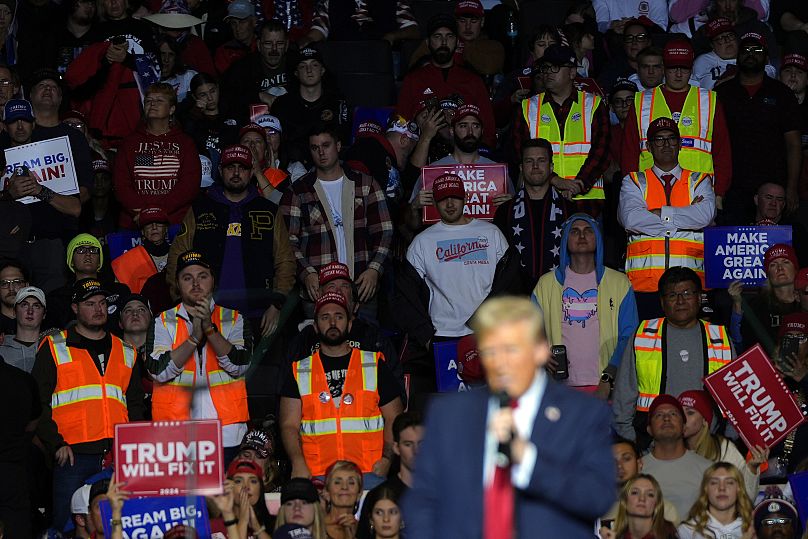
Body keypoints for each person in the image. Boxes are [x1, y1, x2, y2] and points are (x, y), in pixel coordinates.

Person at [404, 296, 615, 537]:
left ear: (540, 351)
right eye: (490, 351)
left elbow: (597, 497)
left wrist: (529, 461)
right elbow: (422, 502)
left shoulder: (582, 414)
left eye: (511, 349)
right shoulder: (450, 414)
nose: (500, 363)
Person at [31, 278, 145, 532]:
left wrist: (133, 447)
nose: (98, 309)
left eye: (102, 303)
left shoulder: (126, 350)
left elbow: (136, 405)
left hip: (117, 454)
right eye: (90, 303)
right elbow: (38, 403)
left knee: (122, 524)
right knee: (67, 526)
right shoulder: (55, 346)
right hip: (72, 454)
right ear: (74, 308)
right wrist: (55, 444)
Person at [167, 144, 296, 337]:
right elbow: (177, 257)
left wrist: (276, 304)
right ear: (220, 170)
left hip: (258, 315)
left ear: (252, 171)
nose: (236, 173)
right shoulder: (200, 208)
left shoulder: (268, 210)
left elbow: (285, 260)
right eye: (230, 167)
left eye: (242, 168)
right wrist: (182, 303)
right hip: (207, 315)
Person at [279, 291, 403, 489]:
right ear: (315, 327)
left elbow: (394, 417)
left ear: (350, 324)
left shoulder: (372, 363)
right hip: (318, 474)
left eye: (339, 316)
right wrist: (298, 462)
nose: (333, 322)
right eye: (325, 317)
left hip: (367, 472)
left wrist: (387, 460)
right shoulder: (300, 369)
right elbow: (288, 424)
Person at [146, 250, 252, 463]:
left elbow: (239, 364)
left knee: (226, 496)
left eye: (202, 276)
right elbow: (157, 371)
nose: (196, 283)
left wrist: (209, 330)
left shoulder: (234, 318)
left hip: (228, 431)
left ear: (212, 280)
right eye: (187, 278)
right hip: (176, 432)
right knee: (182, 496)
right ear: (177, 283)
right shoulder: (163, 321)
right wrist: (194, 338)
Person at [279, 124, 393, 316]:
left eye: (326, 145)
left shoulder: (366, 184)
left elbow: (384, 231)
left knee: (364, 344)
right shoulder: (297, 191)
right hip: (318, 291)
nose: (321, 152)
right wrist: (306, 273)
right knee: (317, 345)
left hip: (360, 288)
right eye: (315, 148)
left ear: (338, 146)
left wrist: (374, 269)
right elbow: (287, 242)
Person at [612, 267, 734, 446]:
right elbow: (623, 397)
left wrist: (726, 442)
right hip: (653, 447)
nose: (680, 301)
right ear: (662, 302)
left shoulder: (720, 338)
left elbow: (736, 400)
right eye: (672, 295)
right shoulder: (643, 335)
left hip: (708, 447)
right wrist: (635, 443)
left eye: (687, 293)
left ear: (699, 297)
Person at [618, 117, 716, 319]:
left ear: (680, 144)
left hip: (691, 285)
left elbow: (704, 216)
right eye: (659, 139)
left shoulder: (699, 180)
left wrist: (658, 213)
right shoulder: (634, 181)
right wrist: (685, 216)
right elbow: (631, 220)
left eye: (671, 139)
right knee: (647, 345)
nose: (666, 144)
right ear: (649, 146)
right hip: (645, 286)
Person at [532, 213, 638, 397]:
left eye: (588, 231)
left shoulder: (619, 283)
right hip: (560, 388)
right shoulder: (546, 284)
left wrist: (609, 377)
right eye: (574, 231)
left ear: (598, 238)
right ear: (565, 240)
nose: (582, 236)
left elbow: (629, 337)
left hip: (605, 386)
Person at [621, 39, 732, 207]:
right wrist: (631, 192)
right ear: (664, 68)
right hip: (650, 194)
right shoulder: (641, 101)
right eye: (673, 68)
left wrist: (719, 193)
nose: (679, 74)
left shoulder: (709, 100)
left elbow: (722, 151)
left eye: (684, 68)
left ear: (692, 69)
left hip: (699, 194)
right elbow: (629, 153)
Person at [403, 174, 512, 342]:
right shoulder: (422, 242)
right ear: (434, 202)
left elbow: (508, 283)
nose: (450, 204)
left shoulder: (492, 233)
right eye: (443, 199)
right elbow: (407, 294)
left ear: (466, 197)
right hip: (443, 333)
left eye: (455, 197)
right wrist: (424, 335)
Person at [0, 99, 87, 294]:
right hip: (10, 250)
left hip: (48, 247)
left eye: (25, 121)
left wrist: (40, 190)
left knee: (53, 301)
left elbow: (75, 208)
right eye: (14, 121)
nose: (20, 126)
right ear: (5, 127)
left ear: (33, 124)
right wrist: (8, 194)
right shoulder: (1, 162)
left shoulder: (55, 155)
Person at [716, 32, 803, 223]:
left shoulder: (782, 94)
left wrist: (791, 187)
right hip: (732, 187)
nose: (750, 54)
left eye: (756, 50)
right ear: (738, 56)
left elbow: (794, 145)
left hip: (772, 187)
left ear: (766, 56)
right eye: (745, 49)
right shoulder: (722, 94)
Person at [518, 44, 610, 204]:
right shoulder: (528, 107)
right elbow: (519, 153)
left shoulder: (593, 104)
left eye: (555, 67)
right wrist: (555, 180)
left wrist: (579, 184)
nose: (548, 73)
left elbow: (602, 152)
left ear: (572, 72)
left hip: (587, 201)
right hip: (541, 198)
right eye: (545, 67)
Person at [64, 0, 158, 146]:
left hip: (139, 104)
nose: (113, 3)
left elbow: (157, 67)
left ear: (127, 2)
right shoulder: (94, 32)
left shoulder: (143, 28)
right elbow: (84, 74)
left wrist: (127, 59)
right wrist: (107, 61)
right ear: (101, 4)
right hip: (106, 107)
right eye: (108, 0)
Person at [396, 13, 496, 149]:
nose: (444, 42)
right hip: (422, 153)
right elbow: (399, 125)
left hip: (465, 155)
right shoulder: (413, 80)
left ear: (457, 42)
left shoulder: (473, 80)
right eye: (437, 37)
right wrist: (417, 122)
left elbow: (488, 131)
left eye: (449, 37)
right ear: (428, 42)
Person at [114, 82, 201, 229]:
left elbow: (189, 185)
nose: (152, 104)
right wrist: (144, 213)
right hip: (135, 222)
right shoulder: (129, 143)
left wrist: (157, 213)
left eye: (159, 100)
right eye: (148, 101)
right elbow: (121, 184)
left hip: (175, 223)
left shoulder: (185, 143)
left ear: (172, 109)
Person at [494, 138, 573, 290]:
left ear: (551, 167)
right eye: (529, 161)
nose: (535, 166)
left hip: (560, 293)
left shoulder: (569, 210)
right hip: (516, 297)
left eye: (541, 160)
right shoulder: (506, 211)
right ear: (521, 168)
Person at [410, 103, 512, 215]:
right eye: (463, 126)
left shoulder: (498, 173)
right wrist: (414, 207)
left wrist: (511, 206)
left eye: (475, 126)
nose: (470, 132)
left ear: (482, 131)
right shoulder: (432, 171)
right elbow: (411, 225)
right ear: (452, 131)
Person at [679, 390, 763, 501]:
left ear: (705, 420)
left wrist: (752, 468)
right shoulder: (669, 450)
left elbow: (746, 499)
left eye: (690, 413)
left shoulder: (723, 448)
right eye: (678, 413)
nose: (682, 419)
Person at [270, 47, 349, 164]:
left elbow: (343, 138)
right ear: (296, 73)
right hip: (292, 166)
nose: (309, 70)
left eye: (314, 65)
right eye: (303, 66)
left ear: (322, 70)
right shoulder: (283, 105)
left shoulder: (336, 102)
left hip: (331, 165)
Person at [640, 395, 714, 520]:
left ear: (684, 427)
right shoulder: (637, 469)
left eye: (673, 414)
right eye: (658, 415)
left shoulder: (708, 469)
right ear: (649, 429)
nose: (667, 418)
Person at [45, 233, 131, 333]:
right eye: (81, 250)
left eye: (93, 250)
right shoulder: (58, 297)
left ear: (100, 260)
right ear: (71, 260)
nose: (88, 254)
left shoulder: (119, 291)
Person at [357, 411, 422, 539]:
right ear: (396, 448)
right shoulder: (377, 496)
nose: (416, 451)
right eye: (408, 444)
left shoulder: (444, 495)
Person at [0, 334, 40, 539]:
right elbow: (33, 422)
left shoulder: (24, 380)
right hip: (14, 468)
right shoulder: (23, 380)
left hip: (14, 467)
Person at [737, 244, 802, 354]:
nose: (780, 268)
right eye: (773, 265)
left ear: (795, 269)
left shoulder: (805, 302)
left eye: (786, 262)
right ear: (768, 274)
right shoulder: (756, 306)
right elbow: (742, 344)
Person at [221, 21, 291, 120]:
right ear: (259, 45)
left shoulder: (298, 65)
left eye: (279, 43)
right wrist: (258, 95)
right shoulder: (242, 68)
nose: (274, 49)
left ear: (287, 45)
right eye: (268, 43)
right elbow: (227, 99)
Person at [676, 462, 754, 539]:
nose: (722, 488)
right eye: (714, 483)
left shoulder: (754, 528)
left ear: (739, 489)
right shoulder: (687, 531)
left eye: (729, 482)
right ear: (706, 489)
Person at [111, 207, 171, 294]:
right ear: (142, 231)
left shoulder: (178, 254)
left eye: (158, 223)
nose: (154, 227)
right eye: (149, 224)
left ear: (166, 228)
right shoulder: (126, 262)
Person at [600, 474, 679, 539]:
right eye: (635, 493)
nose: (642, 498)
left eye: (650, 494)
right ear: (625, 501)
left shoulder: (668, 535)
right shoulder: (612, 533)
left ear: (656, 504)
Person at [0, 286, 46, 373]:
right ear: (14, 312)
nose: (30, 311)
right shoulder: (2, 346)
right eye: (24, 305)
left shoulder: (52, 347)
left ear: (44, 314)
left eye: (36, 306)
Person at [228, 459, 273, 538]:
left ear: (260, 488)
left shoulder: (273, 524)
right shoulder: (214, 526)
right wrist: (243, 520)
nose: (246, 487)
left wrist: (258, 529)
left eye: (253, 481)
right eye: (238, 481)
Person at [214, 0, 257, 75]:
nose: (237, 27)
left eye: (242, 22)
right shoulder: (223, 52)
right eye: (233, 23)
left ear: (253, 21)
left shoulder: (266, 45)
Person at [323, 461, 362, 539]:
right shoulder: (315, 527)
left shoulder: (366, 530)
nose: (344, 487)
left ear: (359, 494)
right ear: (327, 493)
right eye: (337, 482)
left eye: (351, 483)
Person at [0, 259, 30, 335]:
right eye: (4, 283)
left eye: (17, 282)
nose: (11, 288)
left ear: (27, 285)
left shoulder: (41, 321)